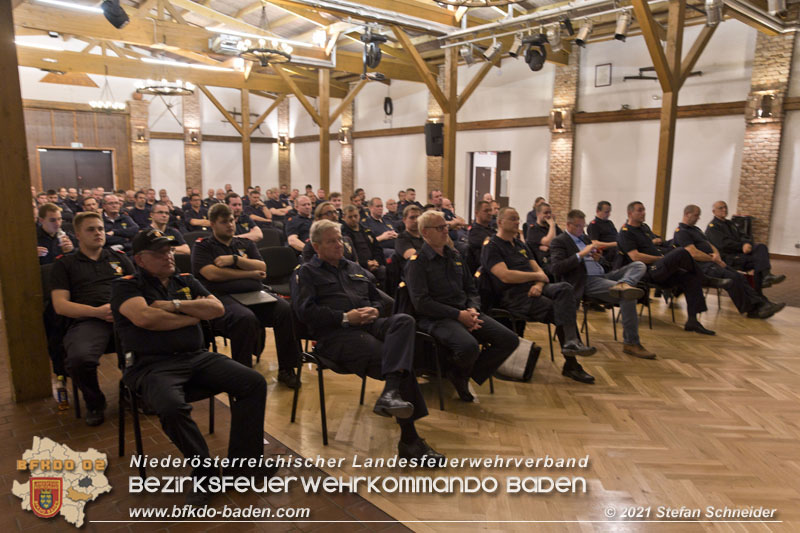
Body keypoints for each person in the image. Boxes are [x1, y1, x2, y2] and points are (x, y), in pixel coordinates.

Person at [112, 229, 271, 505]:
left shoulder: (184, 279)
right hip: (152, 365)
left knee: (253, 383)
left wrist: (173, 305)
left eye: (170, 250)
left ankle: (243, 466)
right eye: (160, 253)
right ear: (139, 259)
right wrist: (191, 316)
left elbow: (217, 309)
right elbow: (146, 318)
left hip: (196, 356)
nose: (168, 256)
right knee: (172, 407)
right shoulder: (127, 286)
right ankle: (206, 473)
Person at [292, 220, 444, 460]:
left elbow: (378, 299)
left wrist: (373, 310)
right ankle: (409, 439)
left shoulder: (353, 267)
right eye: (332, 241)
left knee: (404, 320)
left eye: (340, 239)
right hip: (336, 336)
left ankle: (391, 392)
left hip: (370, 324)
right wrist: (344, 317)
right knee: (395, 360)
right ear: (316, 245)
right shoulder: (307, 273)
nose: (339, 245)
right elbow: (304, 312)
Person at [406, 210, 520, 402]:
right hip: (437, 318)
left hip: (466, 312)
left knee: (509, 340)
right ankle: (459, 373)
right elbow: (421, 303)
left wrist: (473, 310)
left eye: (446, 227)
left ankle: (461, 375)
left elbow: (471, 289)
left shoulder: (455, 256)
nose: (445, 231)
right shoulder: (418, 263)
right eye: (440, 228)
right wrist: (458, 315)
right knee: (469, 346)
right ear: (425, 232)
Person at [481, 208, 597, 383]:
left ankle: (571, 343)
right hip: (514, 296)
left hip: (534, 289)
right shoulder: (492, 247)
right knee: (560, 309)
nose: (517, 222)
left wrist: (539, 283)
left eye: (518, 218)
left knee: (565, 288)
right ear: (499, 222)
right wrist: (536, 278)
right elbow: (506, 275)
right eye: (512, 219)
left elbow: (540, 271)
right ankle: (571, 363)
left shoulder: (520, 245)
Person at [191, 204, 300, 388]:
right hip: (223, 296)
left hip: (254, 294)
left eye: (232, 220)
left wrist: (234, 260)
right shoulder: (203, 246)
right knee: (245, 318)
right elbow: (211, 274)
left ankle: (287, 369)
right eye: (224, 222)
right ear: (212, 224)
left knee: (285, 310)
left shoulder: (244, 243)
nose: (230, 225)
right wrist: (248, 272)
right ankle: (243, 375)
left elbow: (262, 267)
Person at [51, 212, 135, 425]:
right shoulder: (65, 264)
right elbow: (60, 305)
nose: (98, 233)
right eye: (91, 229)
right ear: (77, 234)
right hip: (89, 319)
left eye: (100, 228)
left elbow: (139, 289)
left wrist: (123, 309)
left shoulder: (119, 258)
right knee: (79, 359)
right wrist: (97, 312)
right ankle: (95, 402)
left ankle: (133, 390)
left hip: (124, 317)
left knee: (150, 344)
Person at [550, 209, 655, 359]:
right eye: (579, 226)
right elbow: (557, 268)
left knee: (638, 265)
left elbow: (605, 266)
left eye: (583, 226)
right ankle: (631, 343)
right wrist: (581, 254)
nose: (582, 229)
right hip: (585, 281)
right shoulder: (560, 241)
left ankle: (624, 283)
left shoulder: (585, 239)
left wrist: (599, 259)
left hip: (603, 275)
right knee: (628, 296)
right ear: (569, 225)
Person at [619, 201, 715, 335]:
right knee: (682, 251)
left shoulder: (644, 229)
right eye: (639, 210)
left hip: (659, 268)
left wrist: (664, 254)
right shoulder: (626, 232)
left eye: (644, 210)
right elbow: (635, 257)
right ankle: (705, 279)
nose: (643, 212)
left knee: (690, 277)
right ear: (630, 213)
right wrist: (661, 259)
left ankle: (692, 321)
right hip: (646, 271)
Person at [674, 205, 784, 319]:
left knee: (740, 277)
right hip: (701, 267)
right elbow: (692, 253)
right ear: (687, 214)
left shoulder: (696, 230)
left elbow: (710, 245)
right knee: (732, 279)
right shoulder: (682, 232)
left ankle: (762, 304)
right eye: (696, 215)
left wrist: (717, 256)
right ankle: (752, 310)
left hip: (713, 262)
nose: (698, 218)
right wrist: (712, 258)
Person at [705, 201, 785, 292]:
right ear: (713, 211)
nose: (724, 209)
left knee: (761, 247)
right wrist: (741, 246)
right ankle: (760, 289)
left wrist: (747, 243)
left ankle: (766, 277)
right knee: (759, 261)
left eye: (725, 207)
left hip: (740, 253)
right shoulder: (713, 227)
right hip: (729, 258)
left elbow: (745, 235)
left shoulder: (730, 223)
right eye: (721, 208)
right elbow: (724, 244)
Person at [341, 205, 387, 287]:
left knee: (384, 270)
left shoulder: (367, 231)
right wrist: (366, 264)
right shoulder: (343, 235)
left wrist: (376, 261)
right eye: (350, 217)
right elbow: (349, 256)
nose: (353, 219)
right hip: (358, 266)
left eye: (355, 216)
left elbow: (377, 249)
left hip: (374, 263)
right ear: (344, 217)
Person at [526, 202, 563, 276]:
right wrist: (552, 225)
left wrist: (549, 247)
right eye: (545, 213)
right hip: (545, 264)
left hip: (558, 258)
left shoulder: (555, 228)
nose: (549, 215)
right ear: (538, 214)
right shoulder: (533, 230)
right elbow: (550, 242)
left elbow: (563, 242)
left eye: (550, 212)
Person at [466, 200, 496, 273]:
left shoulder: (492, 230)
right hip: (486, 271)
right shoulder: (474, 232)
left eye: (490, 210)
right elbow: (494, 246)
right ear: (476, 213)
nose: (489, 213)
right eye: (486, 211)